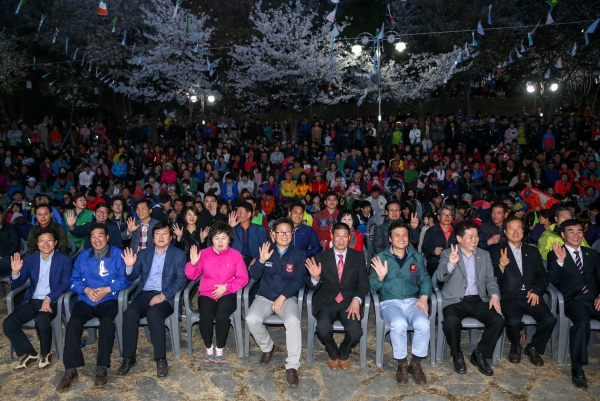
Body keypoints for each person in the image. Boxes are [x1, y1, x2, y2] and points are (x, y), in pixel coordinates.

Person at [56, 224, 131, 392]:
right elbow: (74, 279)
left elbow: (126, 278)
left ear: (107, 237)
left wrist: (107, 289)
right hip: (86, 299)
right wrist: (86, 289)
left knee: (106, 322)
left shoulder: (119, 254)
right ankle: (70, 370)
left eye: (100, 235)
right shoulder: (83, 257)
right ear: (90, 239)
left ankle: (102, 366)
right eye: (93, 236)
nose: (97, 239)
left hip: (108, 299)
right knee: (73, 322)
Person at [117, 222, 187, 378]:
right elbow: (132, 276)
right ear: (152, 237)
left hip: (165, 295)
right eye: (157, 234)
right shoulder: (144, 254)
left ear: (171, 237)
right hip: (145, 293)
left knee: (154, 314)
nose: (161, 237)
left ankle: (161, 358)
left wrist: (164, 295)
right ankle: (128, 357)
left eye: (164, 234)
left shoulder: (179, 255)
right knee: (129, 314)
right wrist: (129, 266)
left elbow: (181, 280)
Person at [436, 221, 504, 376]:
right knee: (451, 321)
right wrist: (451, 265)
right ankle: (456, 353)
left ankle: (480, 353)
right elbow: (440, 277)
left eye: (476, 236)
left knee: (498, 320)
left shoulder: (484, 255)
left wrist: (494, 296)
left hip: (478, 299)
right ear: (459, 239)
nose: (475, 240)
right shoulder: (448, 254)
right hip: (454, 300)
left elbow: (490, 279)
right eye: (470, 236)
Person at [246, 218, 307, 387]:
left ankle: (293, 365)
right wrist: (261, 261)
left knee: (293, 321)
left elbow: (300, 280)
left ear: (292, 233)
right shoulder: (266, 250)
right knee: (251, 319)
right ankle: (267, 347)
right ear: (273, 234)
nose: (284, 235)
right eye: (280, 232)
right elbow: (255, 275)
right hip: (265, 296)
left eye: (288, 231)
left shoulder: (299, 254)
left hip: (286, 298)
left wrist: (283, 296)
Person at [370, 222, 432, 385]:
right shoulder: (380, 257)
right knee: (399, 323)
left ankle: (416, 364)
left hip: (412, 300)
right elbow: (372, 286)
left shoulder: (416, 257)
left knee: (423, 323)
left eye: (404, 234)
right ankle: (402, 364)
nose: (401, 238)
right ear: (390, 238)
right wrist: (381, 277)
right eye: (397, 235)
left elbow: (425, 279)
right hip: (389, 302)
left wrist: (424, 297)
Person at [3, 227, 71, 372]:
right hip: (33, 300)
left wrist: (49, 297)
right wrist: (15, 272)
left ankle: (46, 353)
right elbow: (18, 284)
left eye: (49, 240)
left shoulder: (64, 259)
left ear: (56, 242)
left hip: (53, 300)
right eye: (42, 241)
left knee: (42, 319)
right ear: (37, 242)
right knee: (9, 323)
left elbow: (65, 284)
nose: (45, 244)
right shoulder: (30, 259)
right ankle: (30, 353)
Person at [490, 215, 556, 367]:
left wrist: (537, 290)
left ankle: (533, 347)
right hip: (508, 296)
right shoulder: (496, 251)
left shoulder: (532, 251)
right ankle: (515, 345)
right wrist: (500, 266)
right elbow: (491, 279)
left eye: (518, 228)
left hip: (530, 294)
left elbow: (542, 276)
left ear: (523, 231)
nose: (515, 232)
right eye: (511, 229)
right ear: (505, 232)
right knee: (513, 321)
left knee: (549, 319)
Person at [305, 222, 369, 370]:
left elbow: (364, 284)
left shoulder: (358, 257)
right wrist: (315, 278)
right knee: (322, 328)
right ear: (331, 237)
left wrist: (357, 300)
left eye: (344, 236)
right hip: (327, 301)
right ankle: (333, 353)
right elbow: (312, 286)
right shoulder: (321, 256)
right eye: (337, 235)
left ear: (350, 238)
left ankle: (344, 352)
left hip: (349, 302)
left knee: (355, 331)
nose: (341, 239)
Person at [184, 221, 248, 363]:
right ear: (211, 239)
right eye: (216, 238)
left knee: (222, 315)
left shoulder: (235, 255)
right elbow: (191, 276)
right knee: (205, 316)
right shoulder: (204, 254)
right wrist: (193, 263)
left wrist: (226, 286)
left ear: (229, 240)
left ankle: (220, 347)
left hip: (227, 292)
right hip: (208, 293)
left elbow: (243, 278)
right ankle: (209, 347)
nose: (220, 241)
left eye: (223, 238)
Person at [548, 219, 600, 389]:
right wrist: (560, 261)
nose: (576, 235)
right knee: (582, 322)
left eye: (579, 231)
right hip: (573, 301)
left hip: (593, 299)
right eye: (571, 231)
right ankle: (577, 368)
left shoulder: (591, 254)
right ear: (563, 235)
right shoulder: (555, 254)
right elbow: (553, 281)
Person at [422, 205, 458, 277]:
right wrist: (433, 251)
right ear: (439, 217)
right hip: (436, 262)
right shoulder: (431, 231)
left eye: (449, 215)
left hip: (456, 262)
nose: (447, 217)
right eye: (444, 215)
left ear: (453, 217)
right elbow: (425, 248)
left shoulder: (458, 231)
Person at [229, 201, 268, 268]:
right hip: (235, 260)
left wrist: (256, 259)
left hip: (253, 259)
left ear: (249, 214)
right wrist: (230, 227)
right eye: (237, 212)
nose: (238, 215)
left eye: (241, 213)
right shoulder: (233, 228)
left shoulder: (259, 229)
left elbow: (264, 247)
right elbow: (224, 243)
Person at [0, 205, 20, 275]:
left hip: (5, 257)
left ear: (2, 215)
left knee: (8, 261)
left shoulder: (10, 228)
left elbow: (15, 245)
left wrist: (2, 255)